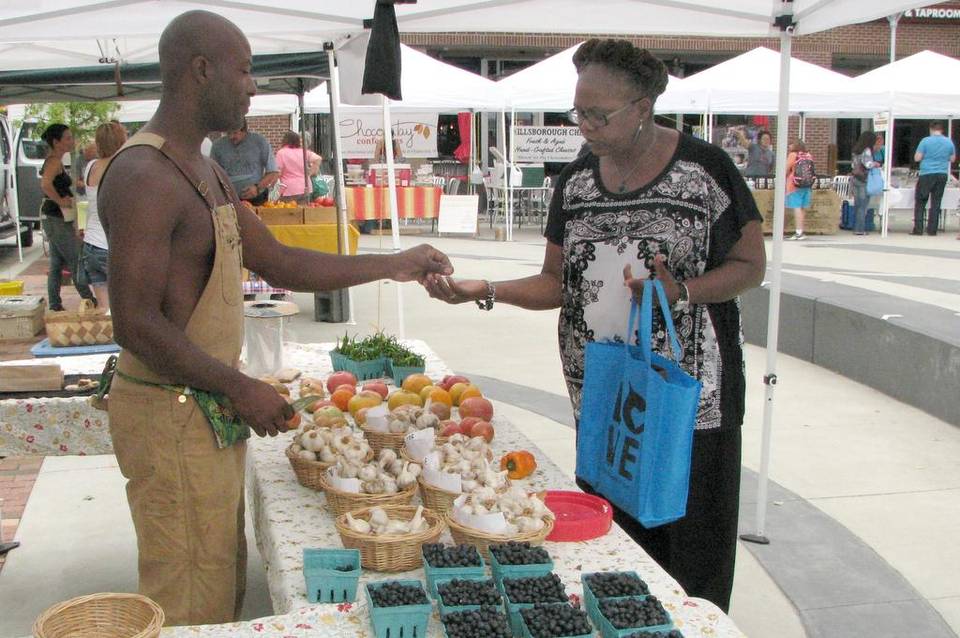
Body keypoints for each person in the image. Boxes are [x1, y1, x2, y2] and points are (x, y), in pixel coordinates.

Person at [98, 10, 452, 627]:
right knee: (186, 586)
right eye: (244, 71)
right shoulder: (143, 176)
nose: (252, 87)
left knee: (217, 571)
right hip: (168, 412)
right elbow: (133, 323)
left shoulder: (204, 171)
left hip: (201, 406)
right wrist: (240, 385)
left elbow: (280, 261)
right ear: (200, 71)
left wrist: (393, 263)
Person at [425, 38, 765, 612]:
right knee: (615, 546)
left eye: (597, 114)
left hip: (689, 402)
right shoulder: (576, 182)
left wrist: (681, 291)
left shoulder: (705, 170)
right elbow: (557, 281)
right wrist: (484, 291)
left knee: (691, 549)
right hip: (605, 393)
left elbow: (751, 266)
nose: (582, 125)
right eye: (577, 110)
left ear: (644, 106)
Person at [38, 123, 97, 312]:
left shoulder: (56, 160)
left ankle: (55, 305)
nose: (72, 141)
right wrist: (60, 200)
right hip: (55, 216)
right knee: (74, 259)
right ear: (56, 142)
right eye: (68, 138)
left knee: (56, 263)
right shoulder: (54, 162)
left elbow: (68, 183)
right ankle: (90, 301)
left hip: (55, 217)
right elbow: (46, 184)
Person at [79, 121, 127, 310]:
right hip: (110, 246)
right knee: (123, 308)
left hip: (91, 244)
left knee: (104, 310)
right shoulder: (122, 168)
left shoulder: (91, 166)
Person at [210, 118, 279, 206]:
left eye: (235, 133)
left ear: (244, 130)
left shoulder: (260, 142)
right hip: (228, 200)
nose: (231, 137)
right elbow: (212, 174)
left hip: (256, 199)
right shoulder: (217, 146)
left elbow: (273, 172)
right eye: (228, 133)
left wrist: (257, 188)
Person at [912, 121, 956, 236]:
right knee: (936, 202)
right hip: (942, 173)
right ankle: (932, 230)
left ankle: (918, 229)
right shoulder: (949, 142)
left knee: (921, 201)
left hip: (927, 173)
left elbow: (917, 158)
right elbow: (952, 159)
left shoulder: (925, 141)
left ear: (931, 129)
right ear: (942, 130)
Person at [274, 130, 321, 204]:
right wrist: (310, 173)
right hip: (306, 187)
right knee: (304, 212)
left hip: (289, 189)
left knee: (289, 212)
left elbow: (277, 172)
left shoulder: (281, 153)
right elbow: (318, 158)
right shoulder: (304, 152)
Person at [850, 131, 877, 236]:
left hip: (855, 178)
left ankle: (856, 227)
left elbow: (853, 165)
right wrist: (875, 163)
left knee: (857, 205)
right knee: (863, 205)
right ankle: (860, 229)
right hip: (864, 179)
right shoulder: (867, 150)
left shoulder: (856, 150)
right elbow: (868, 164)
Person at [785, 140, 813, 241]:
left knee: (796, 207)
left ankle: (798, 232)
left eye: (791, 144)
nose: (789, 146)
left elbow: (786, 169)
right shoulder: (808, 155)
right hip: (807, 185)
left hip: (794, 185)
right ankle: (801, 231)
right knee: (802, 208)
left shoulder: (793, 155)